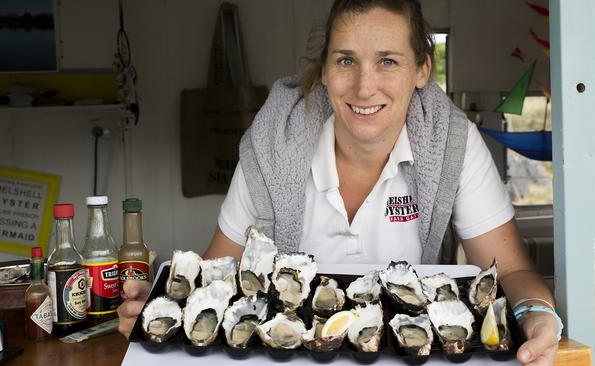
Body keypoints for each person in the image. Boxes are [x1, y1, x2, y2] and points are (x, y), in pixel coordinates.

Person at [119, 0, 561, 364]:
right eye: (346, 60)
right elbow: (217, 278)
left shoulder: (452, 145)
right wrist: (164, 305)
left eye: (388, 61)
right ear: (325, 70)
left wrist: (538, 314)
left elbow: (515, 273)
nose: (364, 87)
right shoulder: (272, 145)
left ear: (422, 70)